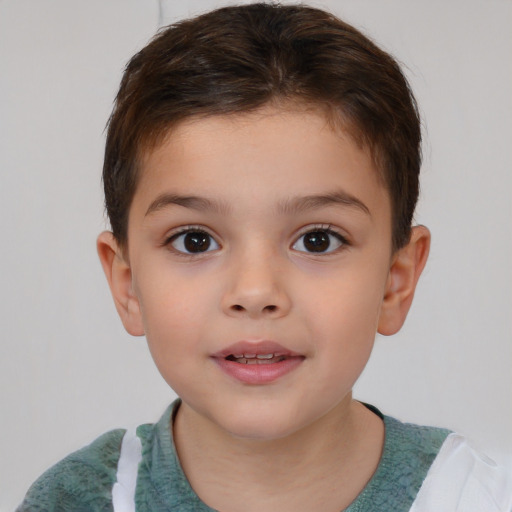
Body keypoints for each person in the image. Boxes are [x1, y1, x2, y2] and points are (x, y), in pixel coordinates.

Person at [17, 3, 512, 511]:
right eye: (195, 240)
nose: (255, 293)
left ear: (395, 280)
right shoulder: (78, 500)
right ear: (127, 284)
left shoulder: (477, 499)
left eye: (318, 240)